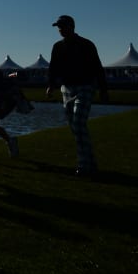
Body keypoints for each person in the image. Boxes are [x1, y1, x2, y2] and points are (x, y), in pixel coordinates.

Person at [46, 15, 108, 178]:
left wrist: (103, 89)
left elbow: (97, 67)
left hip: (86, 86)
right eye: (59, 27)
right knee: (74, 126)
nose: (60, 30)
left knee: (79, 123)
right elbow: (53, 67)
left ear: (71, 26)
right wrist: (51, 85)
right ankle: (90, 162)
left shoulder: (86, 45)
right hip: (66, 88)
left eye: (63, 26)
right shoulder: (57, 46)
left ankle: (84, 165)